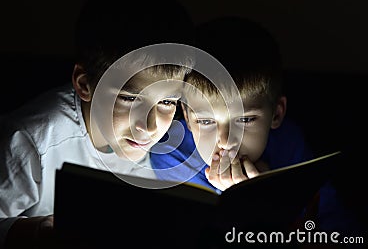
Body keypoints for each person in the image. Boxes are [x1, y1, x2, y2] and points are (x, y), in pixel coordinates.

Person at [0, 0, 195, 249]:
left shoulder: (167, 145)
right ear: (85, 84)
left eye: (168, 101)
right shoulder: (35, 142)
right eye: (130, 98)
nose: (151, 125)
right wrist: (36, 233)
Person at [150, 16, 363, 241]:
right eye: (206, 122)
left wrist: (272, 191)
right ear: (187, 116)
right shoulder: (169, 157)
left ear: (276, 114)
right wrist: (245, 199)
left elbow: (336, 223)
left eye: (245, 120)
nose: (226, 140)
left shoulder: (289, 144)